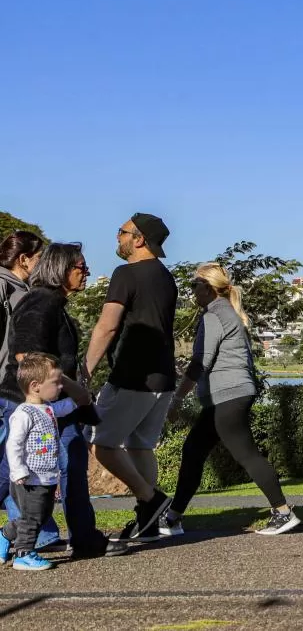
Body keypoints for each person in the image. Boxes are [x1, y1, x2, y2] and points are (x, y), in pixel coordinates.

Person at [1, 243, 128, 560]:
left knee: (72, 463)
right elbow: (25, 355)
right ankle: (27, 537)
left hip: (58, 406)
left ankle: (85, 540)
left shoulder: (55, 305)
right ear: (60, 269)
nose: (86, 272)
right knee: (9, 472)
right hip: (26, 403)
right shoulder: (40, 301)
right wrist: (72, 386)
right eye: (80, 267)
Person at [161, 263, 299, 537]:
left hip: (228, 395)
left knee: (246, 454)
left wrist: (176, 399)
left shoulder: (214, 315)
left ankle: (283, 513)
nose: (192, 292)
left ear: (209, 287)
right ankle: (172, 518)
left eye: (194, 285)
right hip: (226, 396)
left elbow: (201, 362)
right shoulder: (225, 312)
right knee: (193, 452)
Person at [83, 214, 177, 542]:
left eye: (121, 232)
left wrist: (86, 369)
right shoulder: (166, 278)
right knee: (140, 446)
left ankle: (152, 500)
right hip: (163, 377)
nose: (117, 238)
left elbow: (108, 325)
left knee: (99, 443)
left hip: (132, 375)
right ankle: (149, 520)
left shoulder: (126, 274)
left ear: (138, 239)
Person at [0, 354, 95, 570]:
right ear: (35, 386)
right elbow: (13, 445)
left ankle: (4, 534)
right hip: (29, 478)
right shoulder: (23, 414)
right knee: (33, 518)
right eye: (56, 382)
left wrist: (77, 400)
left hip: (46, 476)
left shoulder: (48, 408)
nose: (61, 385)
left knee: (38, 516)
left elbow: (63, 408)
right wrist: (18, 471)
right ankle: (24, 554)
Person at [0, 231, 62, 548]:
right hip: (6, 388)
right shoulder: (4, 286)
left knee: (16, 466)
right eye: (40, 258)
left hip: (12, 388)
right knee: (8, 468)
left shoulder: (24, 290)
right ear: (25, 259)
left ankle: (38, 535)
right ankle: (32, 535)